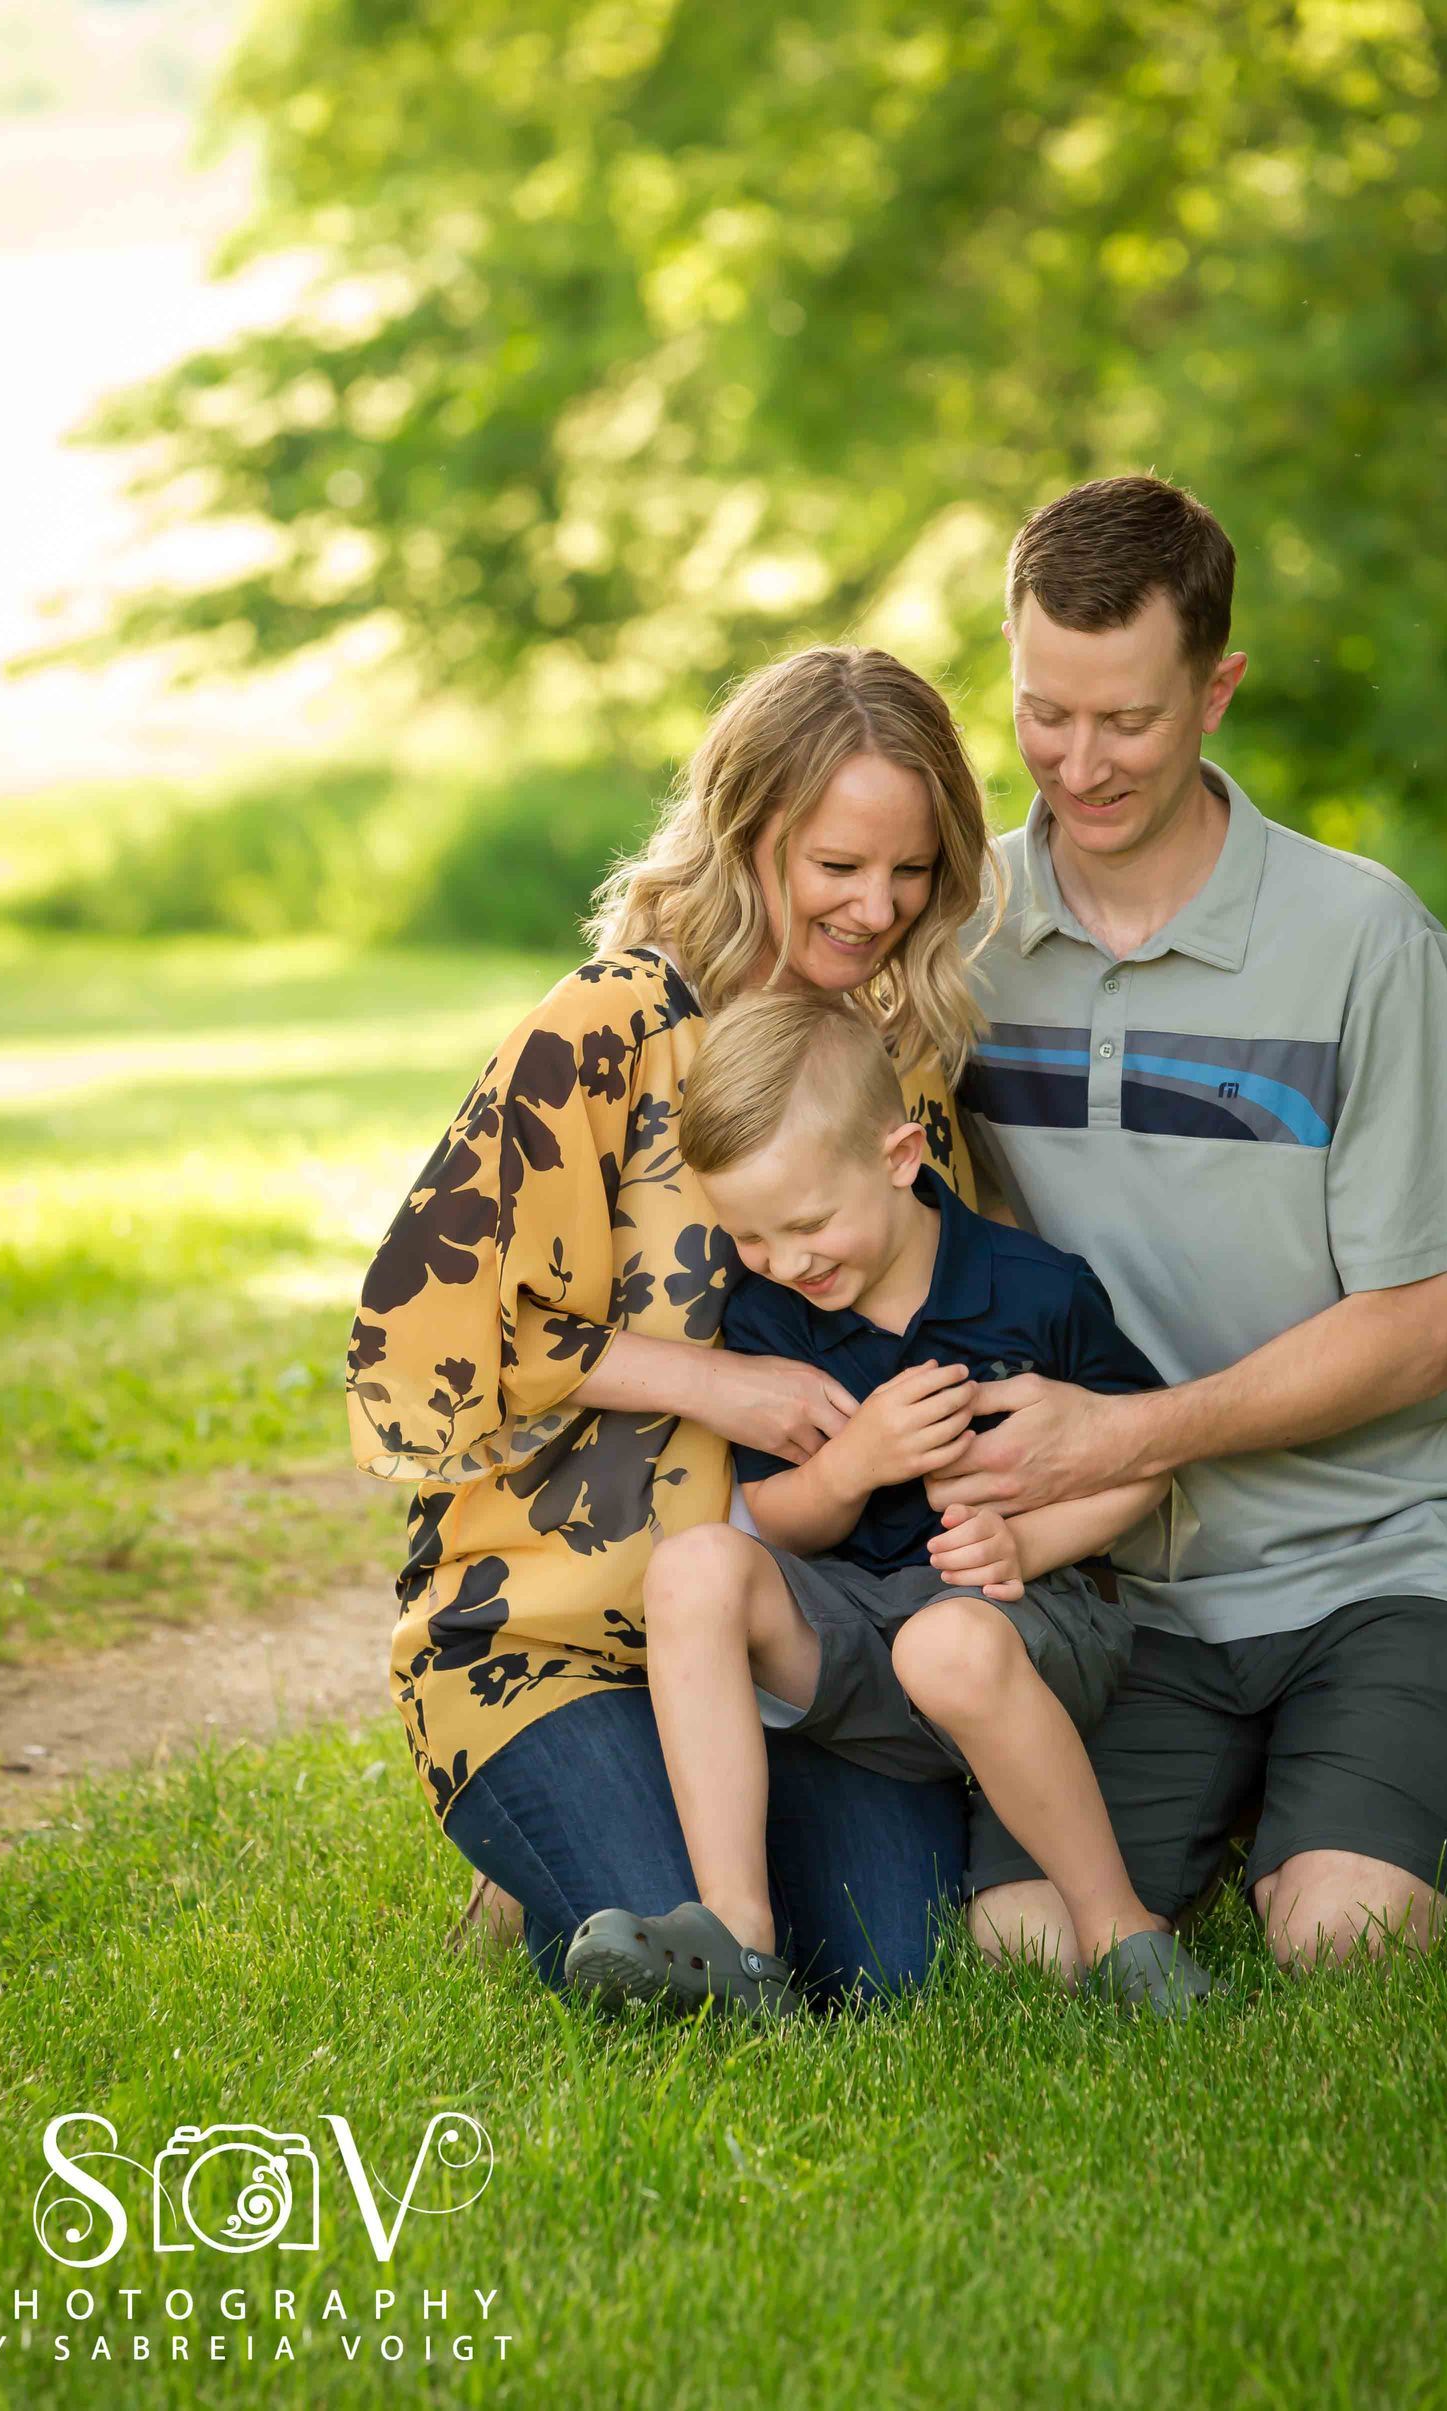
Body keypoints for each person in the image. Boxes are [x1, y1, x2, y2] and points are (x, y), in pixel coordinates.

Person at [938, 473, 1447, 1979]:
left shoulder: (1363, 939)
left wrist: (1126, 1436)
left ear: (1216, 691)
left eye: (1127, 720)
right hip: (1136, 1578)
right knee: (1026, 1949)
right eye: (1042, 711)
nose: (1078, 763)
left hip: (1386, 1546)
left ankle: (1427, 1799)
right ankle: (1305, 1793)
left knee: (1341, 1935)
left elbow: (1413, 1335)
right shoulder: (964, 935)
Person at [345, 645, 1004, 2005]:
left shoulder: (896, 1059)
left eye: (913, 870)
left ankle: (597, 1849)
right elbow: (440, 1327)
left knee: (895, 1964)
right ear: (748, 829)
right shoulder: (611, 1024)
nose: (879, 908)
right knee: (682, 1961)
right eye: (839, 865)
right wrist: (725, 1384)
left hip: (788, 1641)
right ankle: (556, 1828)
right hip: (551, 1628)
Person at [561, 991, 1214, 2021]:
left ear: (901, 1154)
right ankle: (739, 1935)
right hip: (863, 1637)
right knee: (694, 1565)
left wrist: (1026, 1536)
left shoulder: (1032, 1289)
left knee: (946, 1645)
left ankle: (1123, 1932)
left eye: (809, 1222)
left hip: (1030, 1632)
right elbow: (777, 1520)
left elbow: (1147, 1460)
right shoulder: (770, 1313)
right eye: (751, 1236)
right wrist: (850, 1464)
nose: (785, 1259)